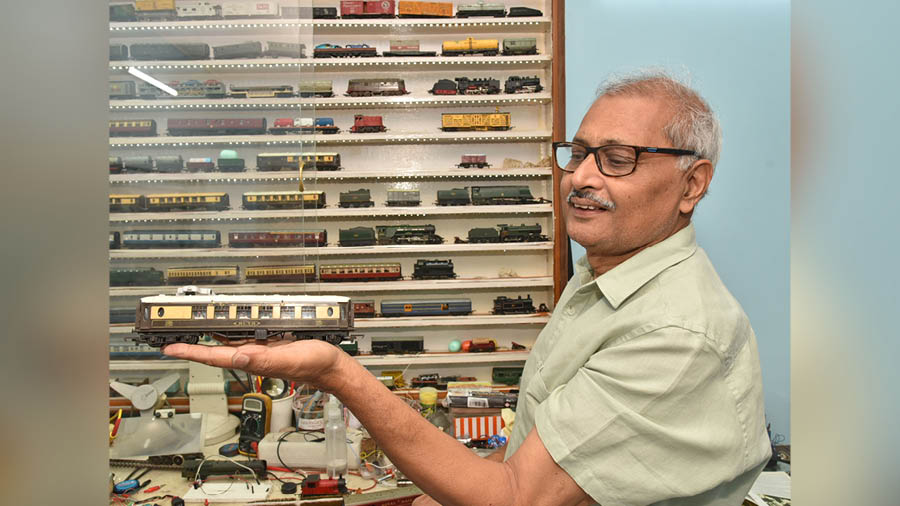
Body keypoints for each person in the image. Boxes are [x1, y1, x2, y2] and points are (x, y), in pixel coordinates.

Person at [164, 69, 772, 505]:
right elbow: (535, 450)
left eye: (619, 158)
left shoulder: (674, 332)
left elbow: (514, 499)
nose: (581, 178)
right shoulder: (600, 275)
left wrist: (335, 372)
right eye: (579, 153)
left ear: (692, 184)